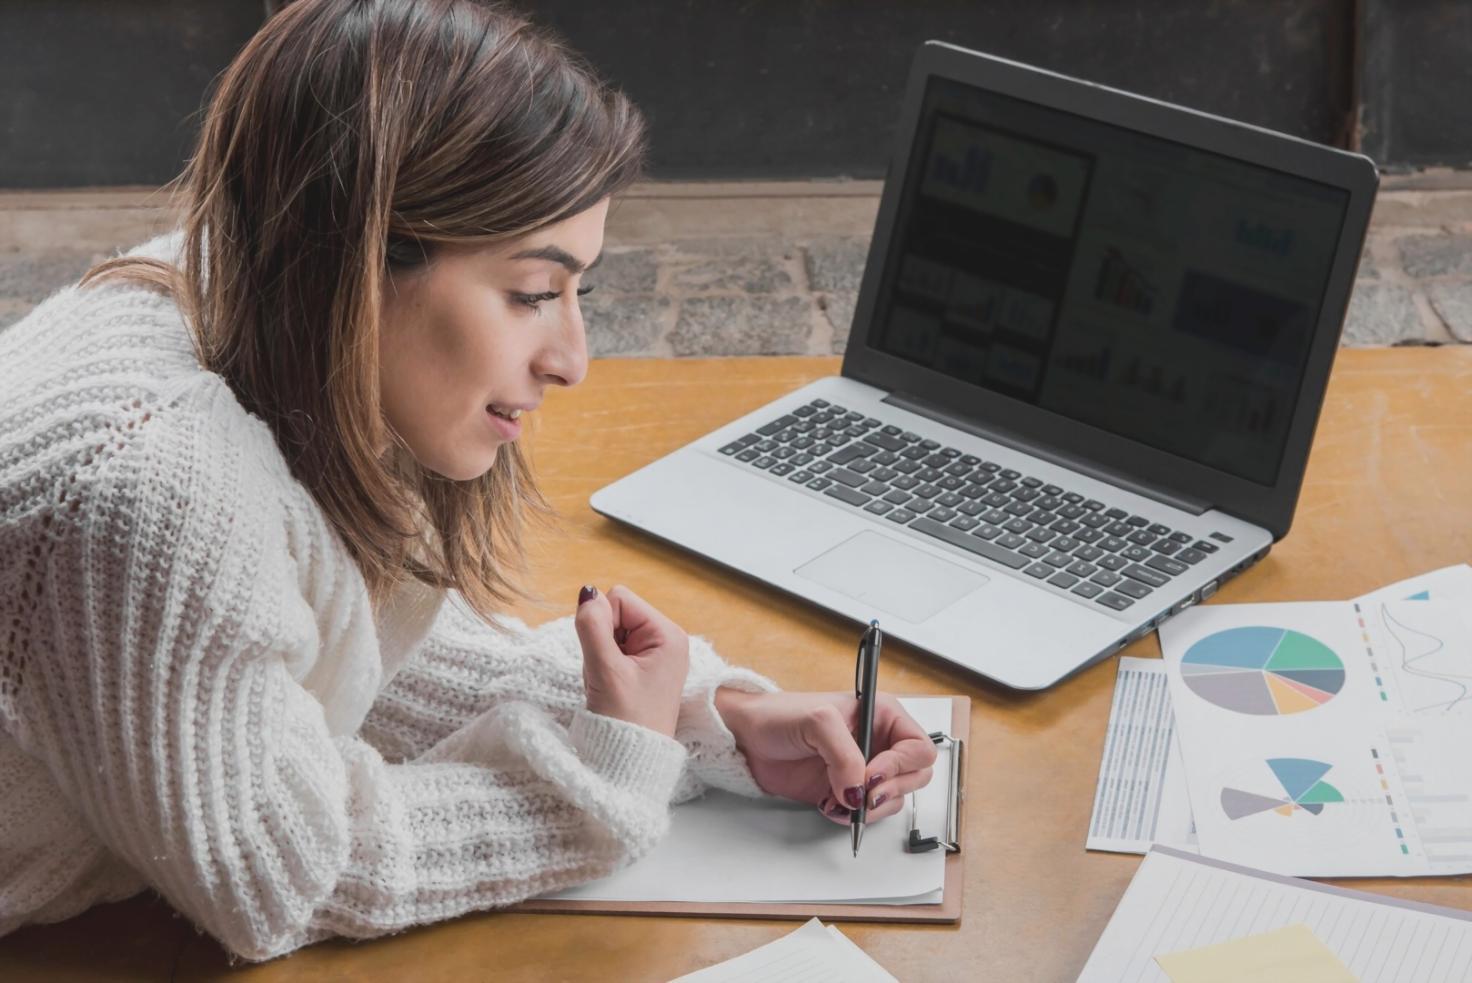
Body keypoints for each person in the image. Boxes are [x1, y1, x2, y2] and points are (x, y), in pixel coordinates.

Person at [0, 0, 937, 962]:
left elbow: (334, 663)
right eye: (533, 293)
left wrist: (712, 719)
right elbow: (291, 876)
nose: (573, 358)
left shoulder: (230, 287)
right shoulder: (148, 488)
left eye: (581, 290)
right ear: (356, 259)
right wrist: (605, 777)